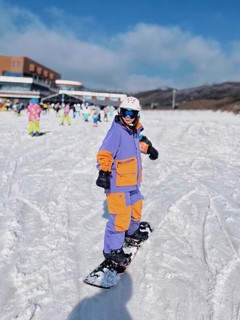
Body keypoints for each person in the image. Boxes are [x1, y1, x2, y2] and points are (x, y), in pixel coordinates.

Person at [96, 96, 159, 266]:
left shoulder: (133, 131)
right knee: (120, 217)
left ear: (137, 114)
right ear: (120, 112)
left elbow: (138, 143)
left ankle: (131, 233)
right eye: (125, 112)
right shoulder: (116, 131)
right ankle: (112, 250)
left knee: (136, 207)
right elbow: (105, 154)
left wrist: (149, 149)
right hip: (117, 184)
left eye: (132, 113)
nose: (128, 116)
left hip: (131, 182)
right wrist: (103, 172)